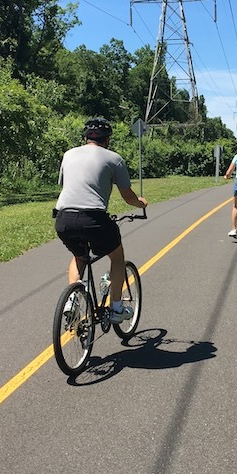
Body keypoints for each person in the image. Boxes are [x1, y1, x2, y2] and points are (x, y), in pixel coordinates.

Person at [54, 117, 148, 322]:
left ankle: (73, 299)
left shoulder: (68, 154)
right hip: (94, 218)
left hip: (63, 218)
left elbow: (66, 184)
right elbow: (127, 196)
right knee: (117, 256)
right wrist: (140, 203)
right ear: (108, 139)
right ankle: (116, 308)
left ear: (85, 137)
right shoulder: (114, 158)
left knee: (79, 256)